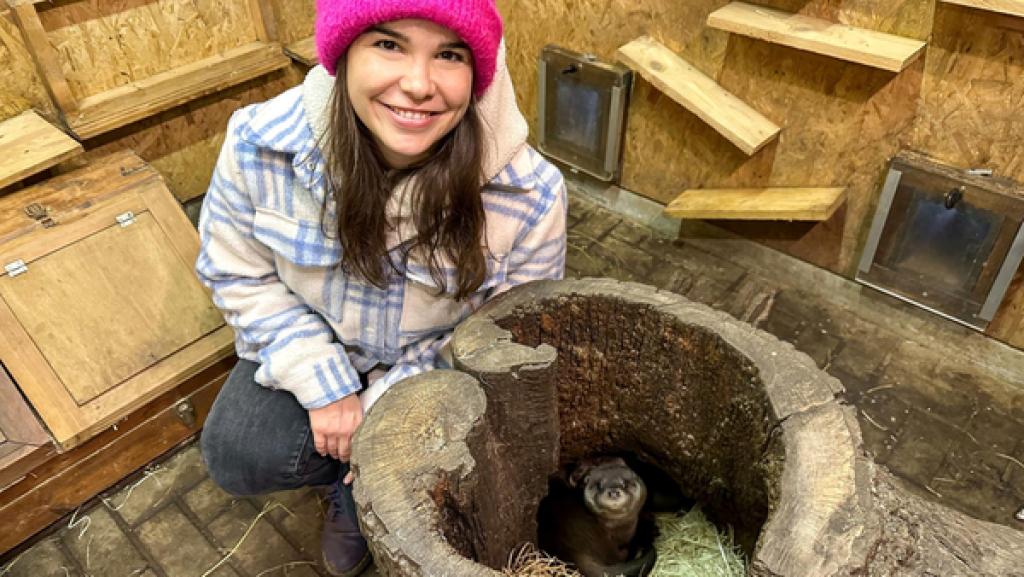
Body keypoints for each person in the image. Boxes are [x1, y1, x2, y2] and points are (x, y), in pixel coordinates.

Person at [195, 0, 567, 575]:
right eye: (388, 45)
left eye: (449, 54)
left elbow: (504, 333)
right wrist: (323, 383)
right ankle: (344, 480)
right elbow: (236, 271)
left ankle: (365, 480)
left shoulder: (531, 193)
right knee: (238, 452)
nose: (418, 85)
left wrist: (381, 417)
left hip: (436, 369)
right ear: (344, 53)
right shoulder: (258, 143)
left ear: (479, 71)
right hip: (320, 344)